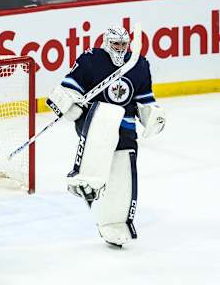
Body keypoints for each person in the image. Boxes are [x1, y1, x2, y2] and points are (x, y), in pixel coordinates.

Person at [46, 25, 166, 247]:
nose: (119, 49)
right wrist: (65, 101)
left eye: (123, 45)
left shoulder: (139, 63)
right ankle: (85, 178)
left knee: (122, 172)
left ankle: (116, 222)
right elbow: (70, 86)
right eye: (115, 44)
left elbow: (144, 98)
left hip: (125, 125)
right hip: (94, 119)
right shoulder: (90, 59)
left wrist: (152, 115)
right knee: (106, 120)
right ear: (105, 43)